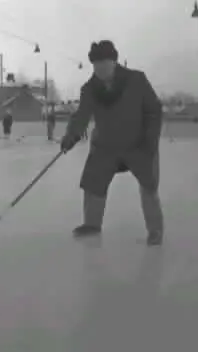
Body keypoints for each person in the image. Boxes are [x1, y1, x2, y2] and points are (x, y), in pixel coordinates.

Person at [59, 40, 164, 245]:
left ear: (114, 61)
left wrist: (150, 139)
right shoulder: (89, 89)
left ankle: (155, 230)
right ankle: (92, 224)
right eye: (96, 64)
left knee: (149, 185)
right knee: (92, 182)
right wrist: (71, 135)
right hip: (106, 145)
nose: (100, 68)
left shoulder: (136, 80)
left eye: (104, 63)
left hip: (138, 142)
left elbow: (154, 110)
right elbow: (81, 116)